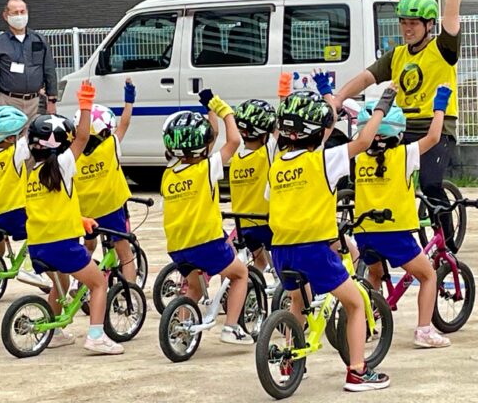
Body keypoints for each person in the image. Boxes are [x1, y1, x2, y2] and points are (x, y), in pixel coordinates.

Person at [331, 0, 466, 249]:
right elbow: (367, 77)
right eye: (403, 23)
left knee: (431, 184)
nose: (407, 29)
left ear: (428, 25)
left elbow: (452, 18)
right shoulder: (398, 55)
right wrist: (338, 99)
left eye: (413, 23)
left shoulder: (442, 49)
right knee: (368, 172)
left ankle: (445, 244)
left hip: (435, 127)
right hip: (400, 126)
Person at [266, 87, 397, 391]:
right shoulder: (323, 160)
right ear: (320, 131)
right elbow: (364, 141)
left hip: (281, 251)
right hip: (314, 249)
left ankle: (290, 361)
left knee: (298, 301)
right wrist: (380, 109)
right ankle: (357, 371)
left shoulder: (277, 167)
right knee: (353, 305)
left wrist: (327, 99)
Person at [25, 81, 124, 355]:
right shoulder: (62, 165)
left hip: (38, 244)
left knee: (63, 282)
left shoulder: (31, 174)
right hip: (62, 245)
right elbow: (82, 137)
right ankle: (96, 335)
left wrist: (79, 219)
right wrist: (85, 104)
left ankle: (54, 330)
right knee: (98, 283)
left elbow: (51, 207)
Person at [354, 86, 453, 348]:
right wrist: (440, 105)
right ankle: (424, 331)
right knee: (428, 275)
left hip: (363, 231)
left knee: (374, 275)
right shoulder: (403, 154)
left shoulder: (359, 156)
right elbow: (433, 137)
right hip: (394, 231)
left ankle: (367, 321)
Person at [161, 89, 253, 346]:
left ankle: (181, 331)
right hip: (206, 242)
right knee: (240, 274)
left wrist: (208, 113)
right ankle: (232, 327)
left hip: (178, 246)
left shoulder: (168, 174)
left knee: (193, 287)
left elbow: (208, 144)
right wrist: (224, 111)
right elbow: (233, 142)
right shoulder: (205, 169)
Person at [0, 105, 49, 288]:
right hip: (14, 212)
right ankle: (30, 268)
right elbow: (29, 138)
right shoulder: (14, 152)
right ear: (11, 137)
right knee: (38, 231)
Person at [74, 79, 136, 283]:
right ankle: (132, 295)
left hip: (85, 212)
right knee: (126, 254)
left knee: (88, 247)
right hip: (111, 209)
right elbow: (125, 122)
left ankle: (78, 282)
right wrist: (129, 98)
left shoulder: (72, 154)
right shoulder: (111, 145)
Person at [0, 0, 59, 119]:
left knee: (34, 137)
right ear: (5, 15)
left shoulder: (39, 40)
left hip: (36, 102)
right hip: (8, 102)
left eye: (22, 12)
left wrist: (52, 99)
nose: (19, 16)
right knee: (8, 137)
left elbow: (49, 69)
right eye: (15, 13)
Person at [229, 99, 278, 273]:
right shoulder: (267, 152)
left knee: (260, 262)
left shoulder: (236, 159)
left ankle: (251, 292)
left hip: (242, 225)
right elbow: (278, 133)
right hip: (266, 224)